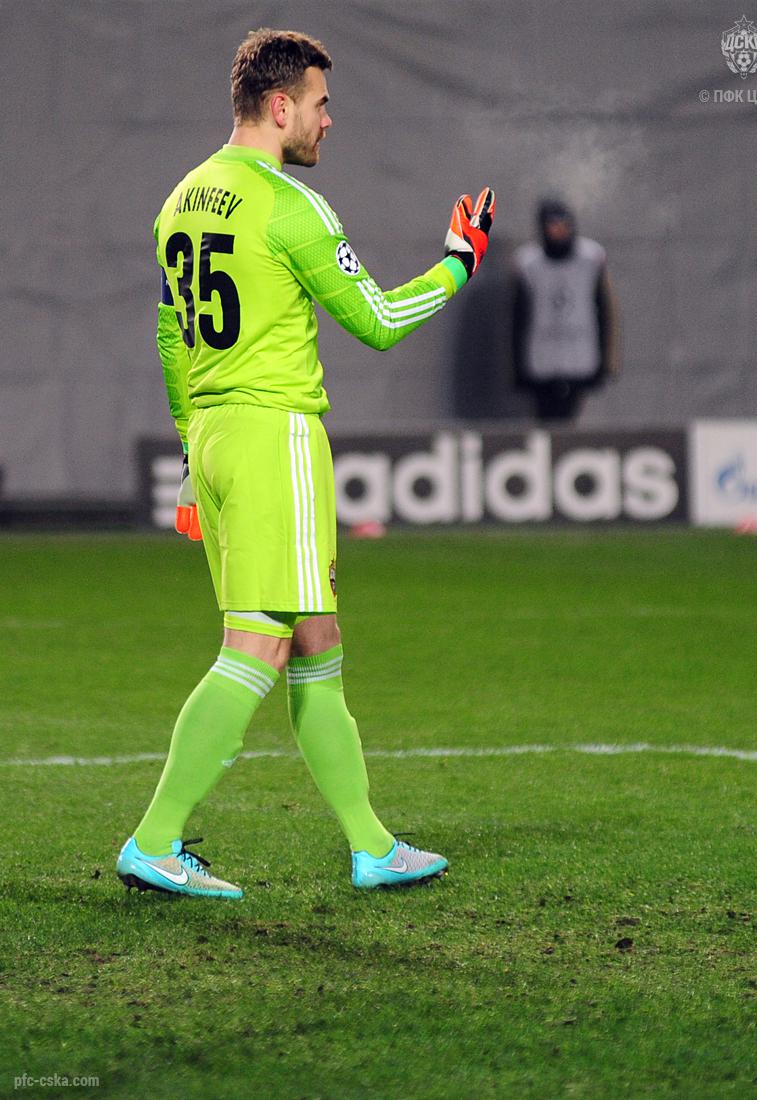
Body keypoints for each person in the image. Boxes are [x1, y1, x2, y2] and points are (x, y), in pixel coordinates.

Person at [116, 28, 495, 898]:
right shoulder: (292, 207)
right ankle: (154, 840)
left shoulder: (183, 198)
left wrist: (191, 451)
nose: (330, 120)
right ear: (281, 105)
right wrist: (458, 265)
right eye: (321, 104)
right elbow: (378, 322)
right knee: (256, 648)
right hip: (273, 438)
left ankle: (372, 845)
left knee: (316, 639)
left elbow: (171, 337)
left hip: (216, 436)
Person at [511, 198, 619, 420]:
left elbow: (607, 312)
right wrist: (517, 368)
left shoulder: (591, 259)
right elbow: (517, 317)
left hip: (582, 357)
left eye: (562, 225)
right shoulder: (528, 263)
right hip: (542, 360)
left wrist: (608, 362)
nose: (558, 231)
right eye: (552, 225)